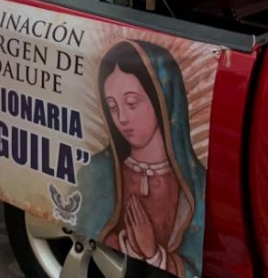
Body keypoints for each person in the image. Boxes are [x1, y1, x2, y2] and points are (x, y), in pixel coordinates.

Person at [76, 40, 205, 277]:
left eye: (132, 103)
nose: (122, 118)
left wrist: (153, 253)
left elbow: (197, 264)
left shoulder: (197, 185)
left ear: (162, 99)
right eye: (112, 107)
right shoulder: (96, 170)